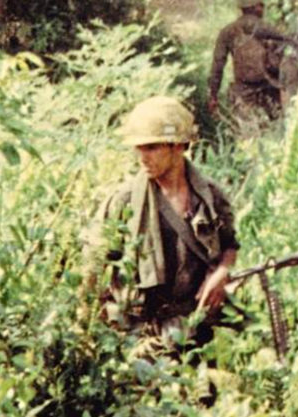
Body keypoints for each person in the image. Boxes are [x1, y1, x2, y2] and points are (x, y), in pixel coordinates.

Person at [83, 96, 240, 349]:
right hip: (139, 332)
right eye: (139, 148)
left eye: (152, 147)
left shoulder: (210, 196)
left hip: (198, 324)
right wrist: (91, 332)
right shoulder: (124, 202)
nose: (142, 157)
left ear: (178, 146)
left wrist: (222, 273)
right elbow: (93, 266)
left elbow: (230, 244)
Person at [207, 0, 285, 120]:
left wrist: (213, 95)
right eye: (261, 5)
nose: (263, 8)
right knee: (275, 126)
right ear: (256, 8)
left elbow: (218, 65)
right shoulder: (269, 29)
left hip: (244, 91)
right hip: (270, 86)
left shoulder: (227, 32)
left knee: (248, 131)